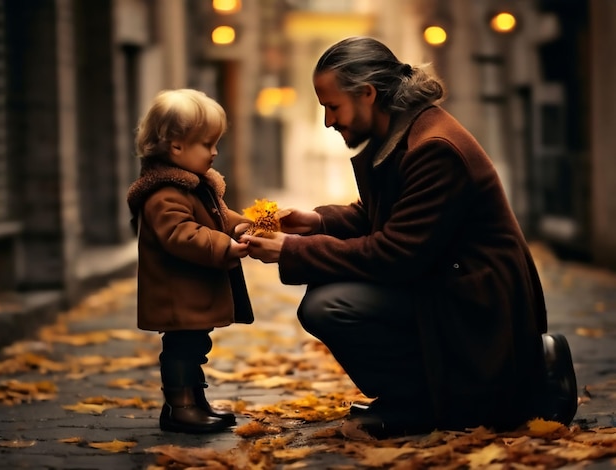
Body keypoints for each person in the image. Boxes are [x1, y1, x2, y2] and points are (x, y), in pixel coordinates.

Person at [241, 36, 578, 437]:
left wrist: (291, 250)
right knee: (328, 289)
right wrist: (314, 222)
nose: (329, 121)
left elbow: (396, 253)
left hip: (477, 301)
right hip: (448, 282)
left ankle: (431, 403)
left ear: (367, 94)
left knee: (329, 304)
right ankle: (422, 394)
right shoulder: (407, 130)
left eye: (332, 106)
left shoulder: (433, 146)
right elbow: (383, 217)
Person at [126, 89, 254, 434]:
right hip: (175, 295)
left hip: (190, 294)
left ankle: (195, 402)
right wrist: (225, 245)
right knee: (182, 350)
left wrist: (242, 225)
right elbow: (181, 235)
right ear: (176, 146)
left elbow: (217, 216)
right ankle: (180, 407)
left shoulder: (194, 187)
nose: (214, 153)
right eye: (207, 144)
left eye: (216, 143)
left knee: (196, 347)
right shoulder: (163, 194)